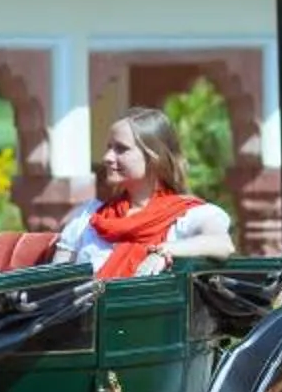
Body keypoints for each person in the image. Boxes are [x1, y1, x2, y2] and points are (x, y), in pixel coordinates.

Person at [52, 108, 236, 278]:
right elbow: (54, 281)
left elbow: (222, 244)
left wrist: (167, 251)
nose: (107, 157)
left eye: (121, 149)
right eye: (109, 147)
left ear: (154, 157)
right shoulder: (88, 217)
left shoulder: (189, 215)